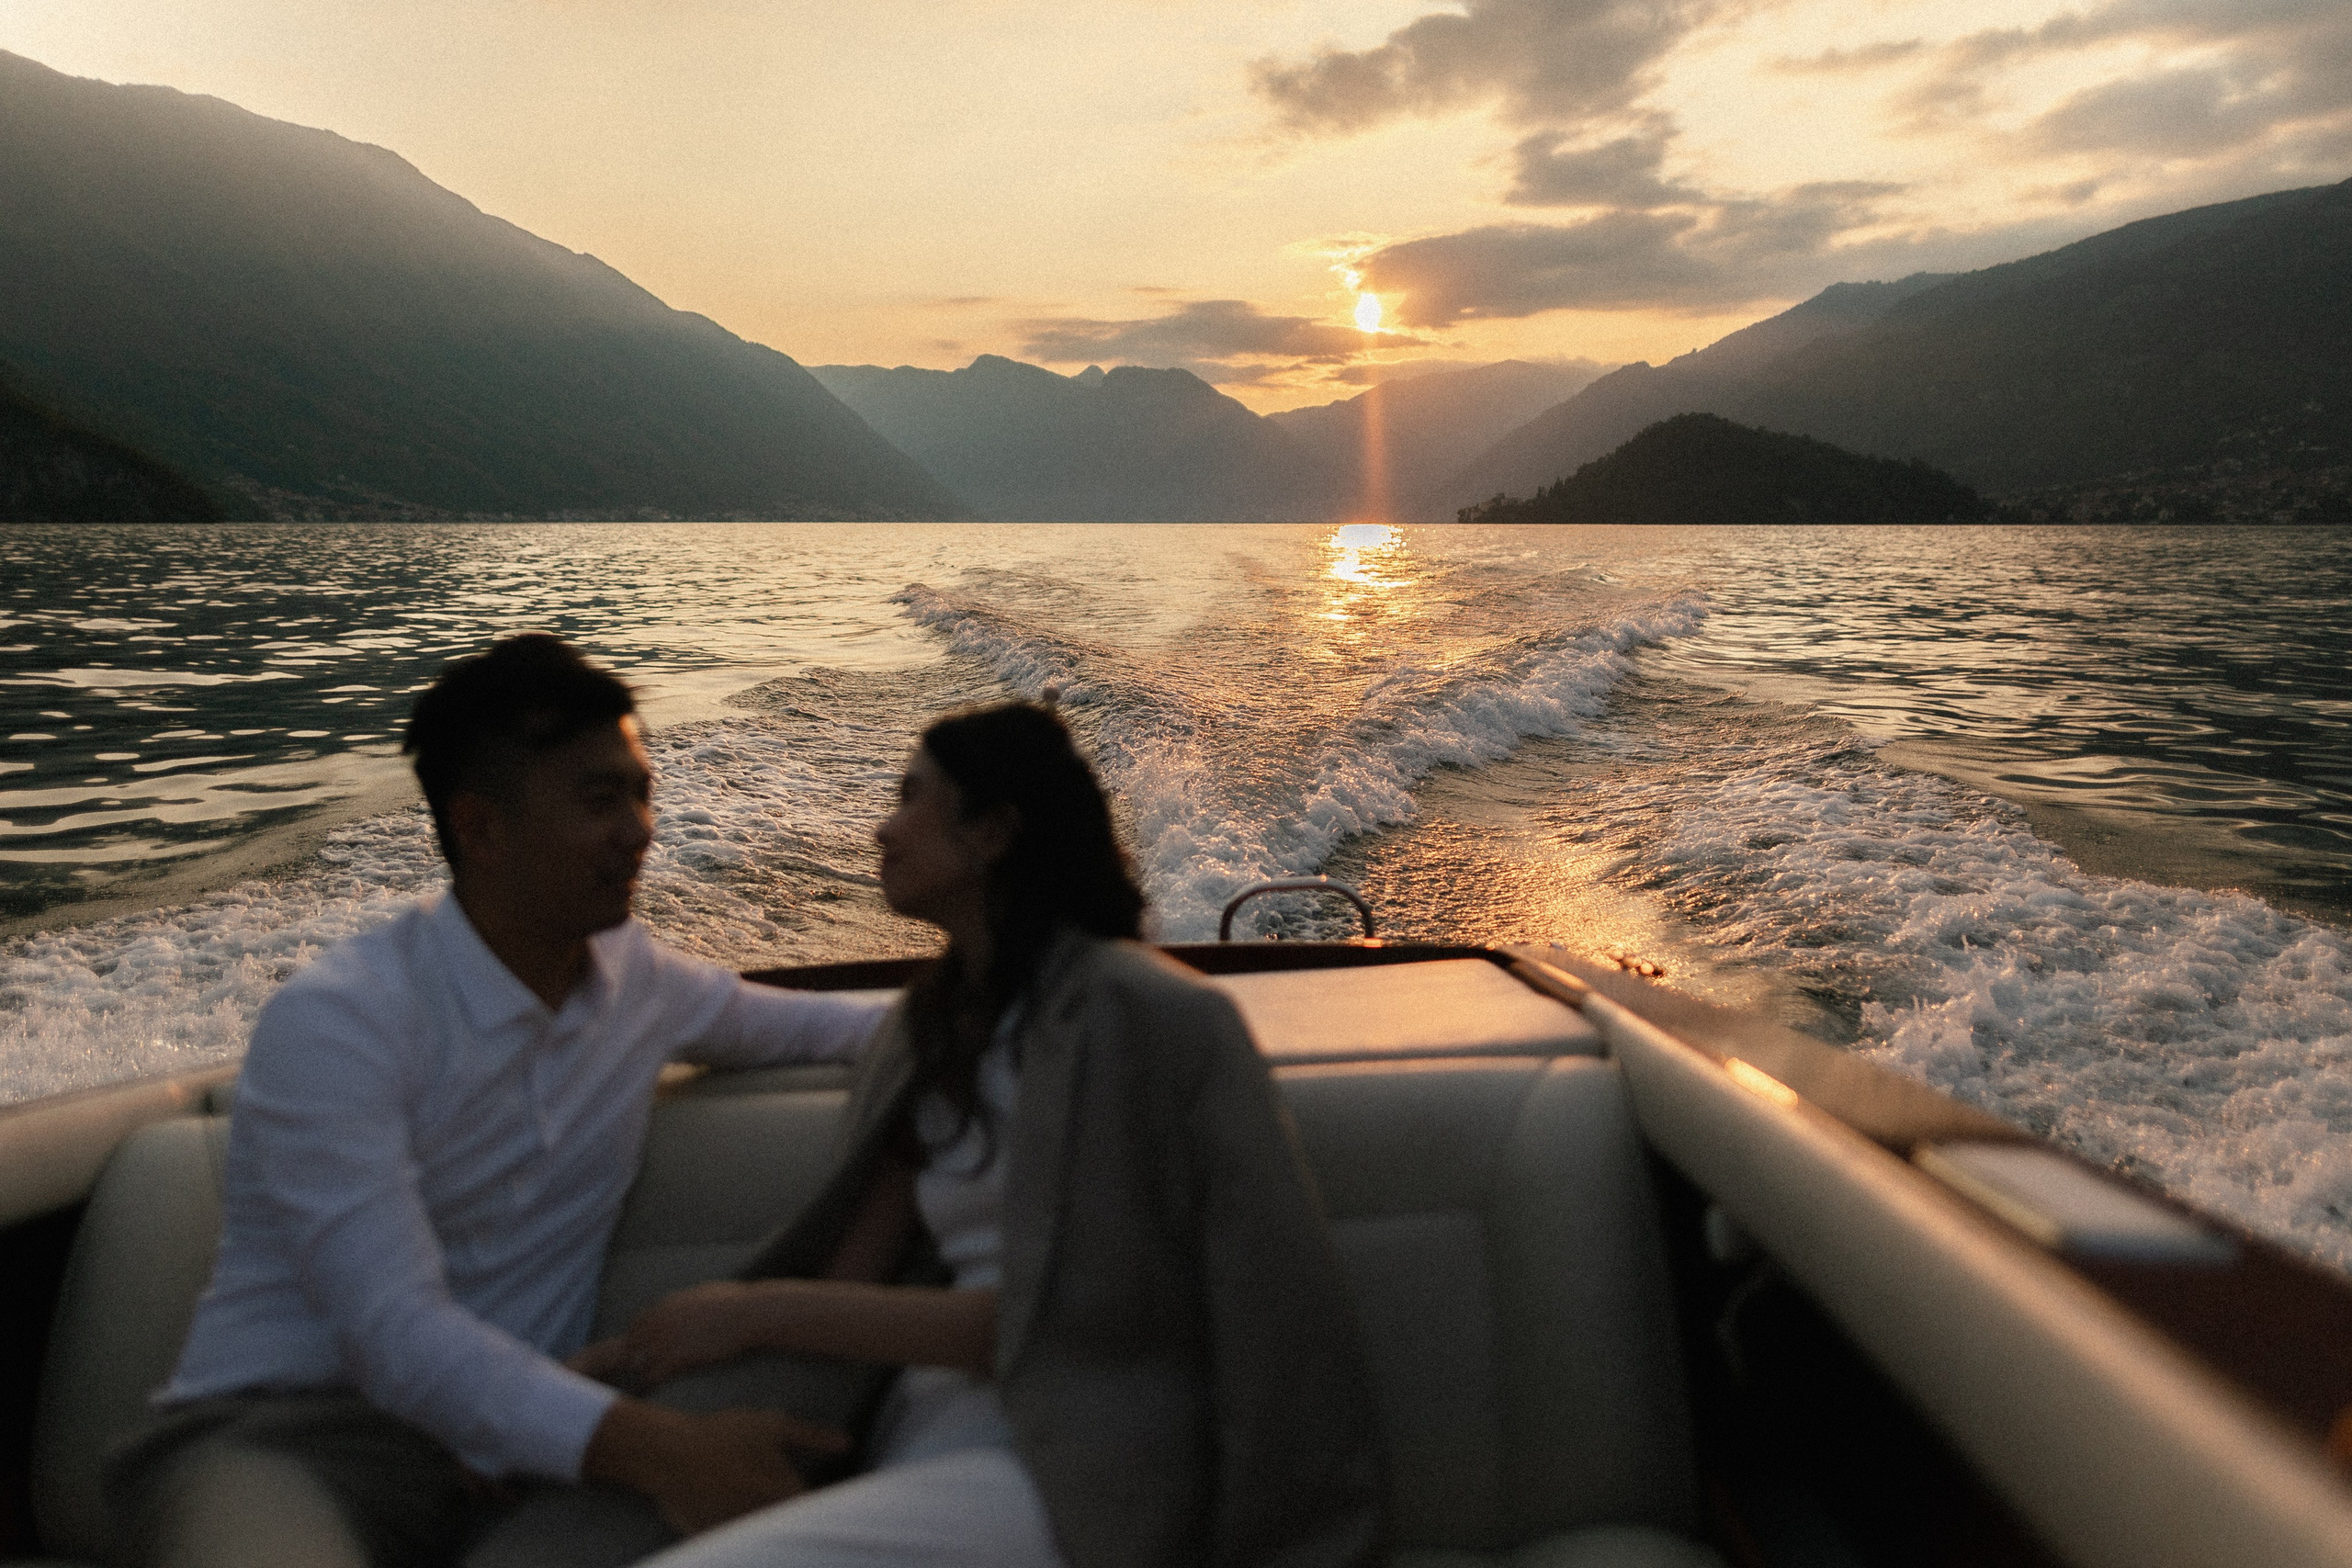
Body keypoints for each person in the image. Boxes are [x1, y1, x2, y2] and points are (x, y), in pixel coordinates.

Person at [107, 634, 889, 1568]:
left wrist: (1056, 999)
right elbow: (393, 1333)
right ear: (480, 828)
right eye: (601, 800)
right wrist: (664, 1451)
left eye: (641, 792)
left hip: (531, 1452)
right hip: (294, 1440)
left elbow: (842, 1030)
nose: (640, 829)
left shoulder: (638, 982)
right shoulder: (339, 1025)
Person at [579, 701, 1388, 1568]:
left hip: (1072, 1465)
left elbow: (1102, 1317)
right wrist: (607, 1378)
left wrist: (751, 1312)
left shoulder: (1153, 1019)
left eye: (910, 797)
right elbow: (856, 1268)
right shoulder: (925, 1032)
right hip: (912, 1433)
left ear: (993, 833)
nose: (882, 827)